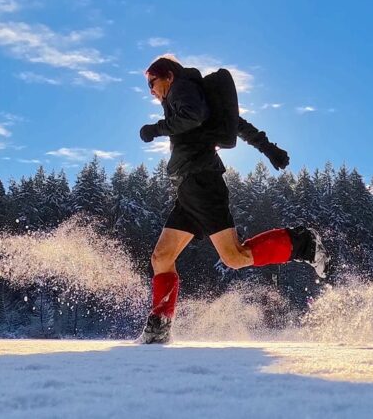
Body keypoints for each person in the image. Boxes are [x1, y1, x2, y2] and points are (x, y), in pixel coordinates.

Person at [137, 55, 328, 344]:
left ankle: (303, 243)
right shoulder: (193, 94)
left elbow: (193, 116)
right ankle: (160, 326)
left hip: (203, 184)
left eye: (152, 82)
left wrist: (156, 129)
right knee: (161, 257)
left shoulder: (182, 90)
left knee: (234, 257)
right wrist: (268, 147)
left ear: (169, 76)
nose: (151, 90)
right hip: (188, 189)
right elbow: (234, 122)